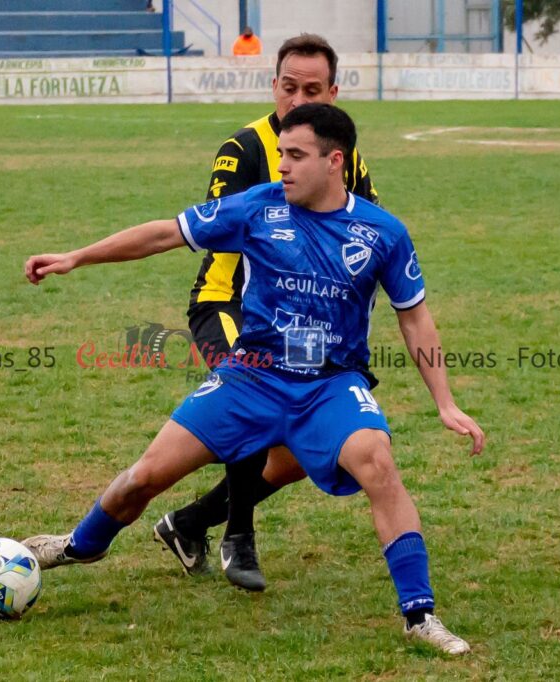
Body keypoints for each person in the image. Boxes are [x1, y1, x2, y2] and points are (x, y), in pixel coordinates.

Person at [21, 103, 485, 656]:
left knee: (378, 464)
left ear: (335, 161)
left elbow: (415, 317)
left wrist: (445, 402)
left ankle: (419, 615)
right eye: (281, 152)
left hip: (329, 385)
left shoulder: (383, 232)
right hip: (252, 377)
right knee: (143, 478)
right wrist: (76, 257)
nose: (282, 165)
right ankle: (81, 545)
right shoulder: (258, 207)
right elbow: (165, 234)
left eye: (296, 155)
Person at [159, 33, 379, 593]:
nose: (298, 99)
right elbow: (219, 227)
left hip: (301, 317)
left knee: (297, 456)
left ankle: (188, 523)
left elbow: (368, 234)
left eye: (312, 90)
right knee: (254, 399)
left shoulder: (343, 157)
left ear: (332, 94)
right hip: (227, 301)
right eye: (289, 87)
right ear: (273, 85)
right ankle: (239, 535)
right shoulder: (242, 148)